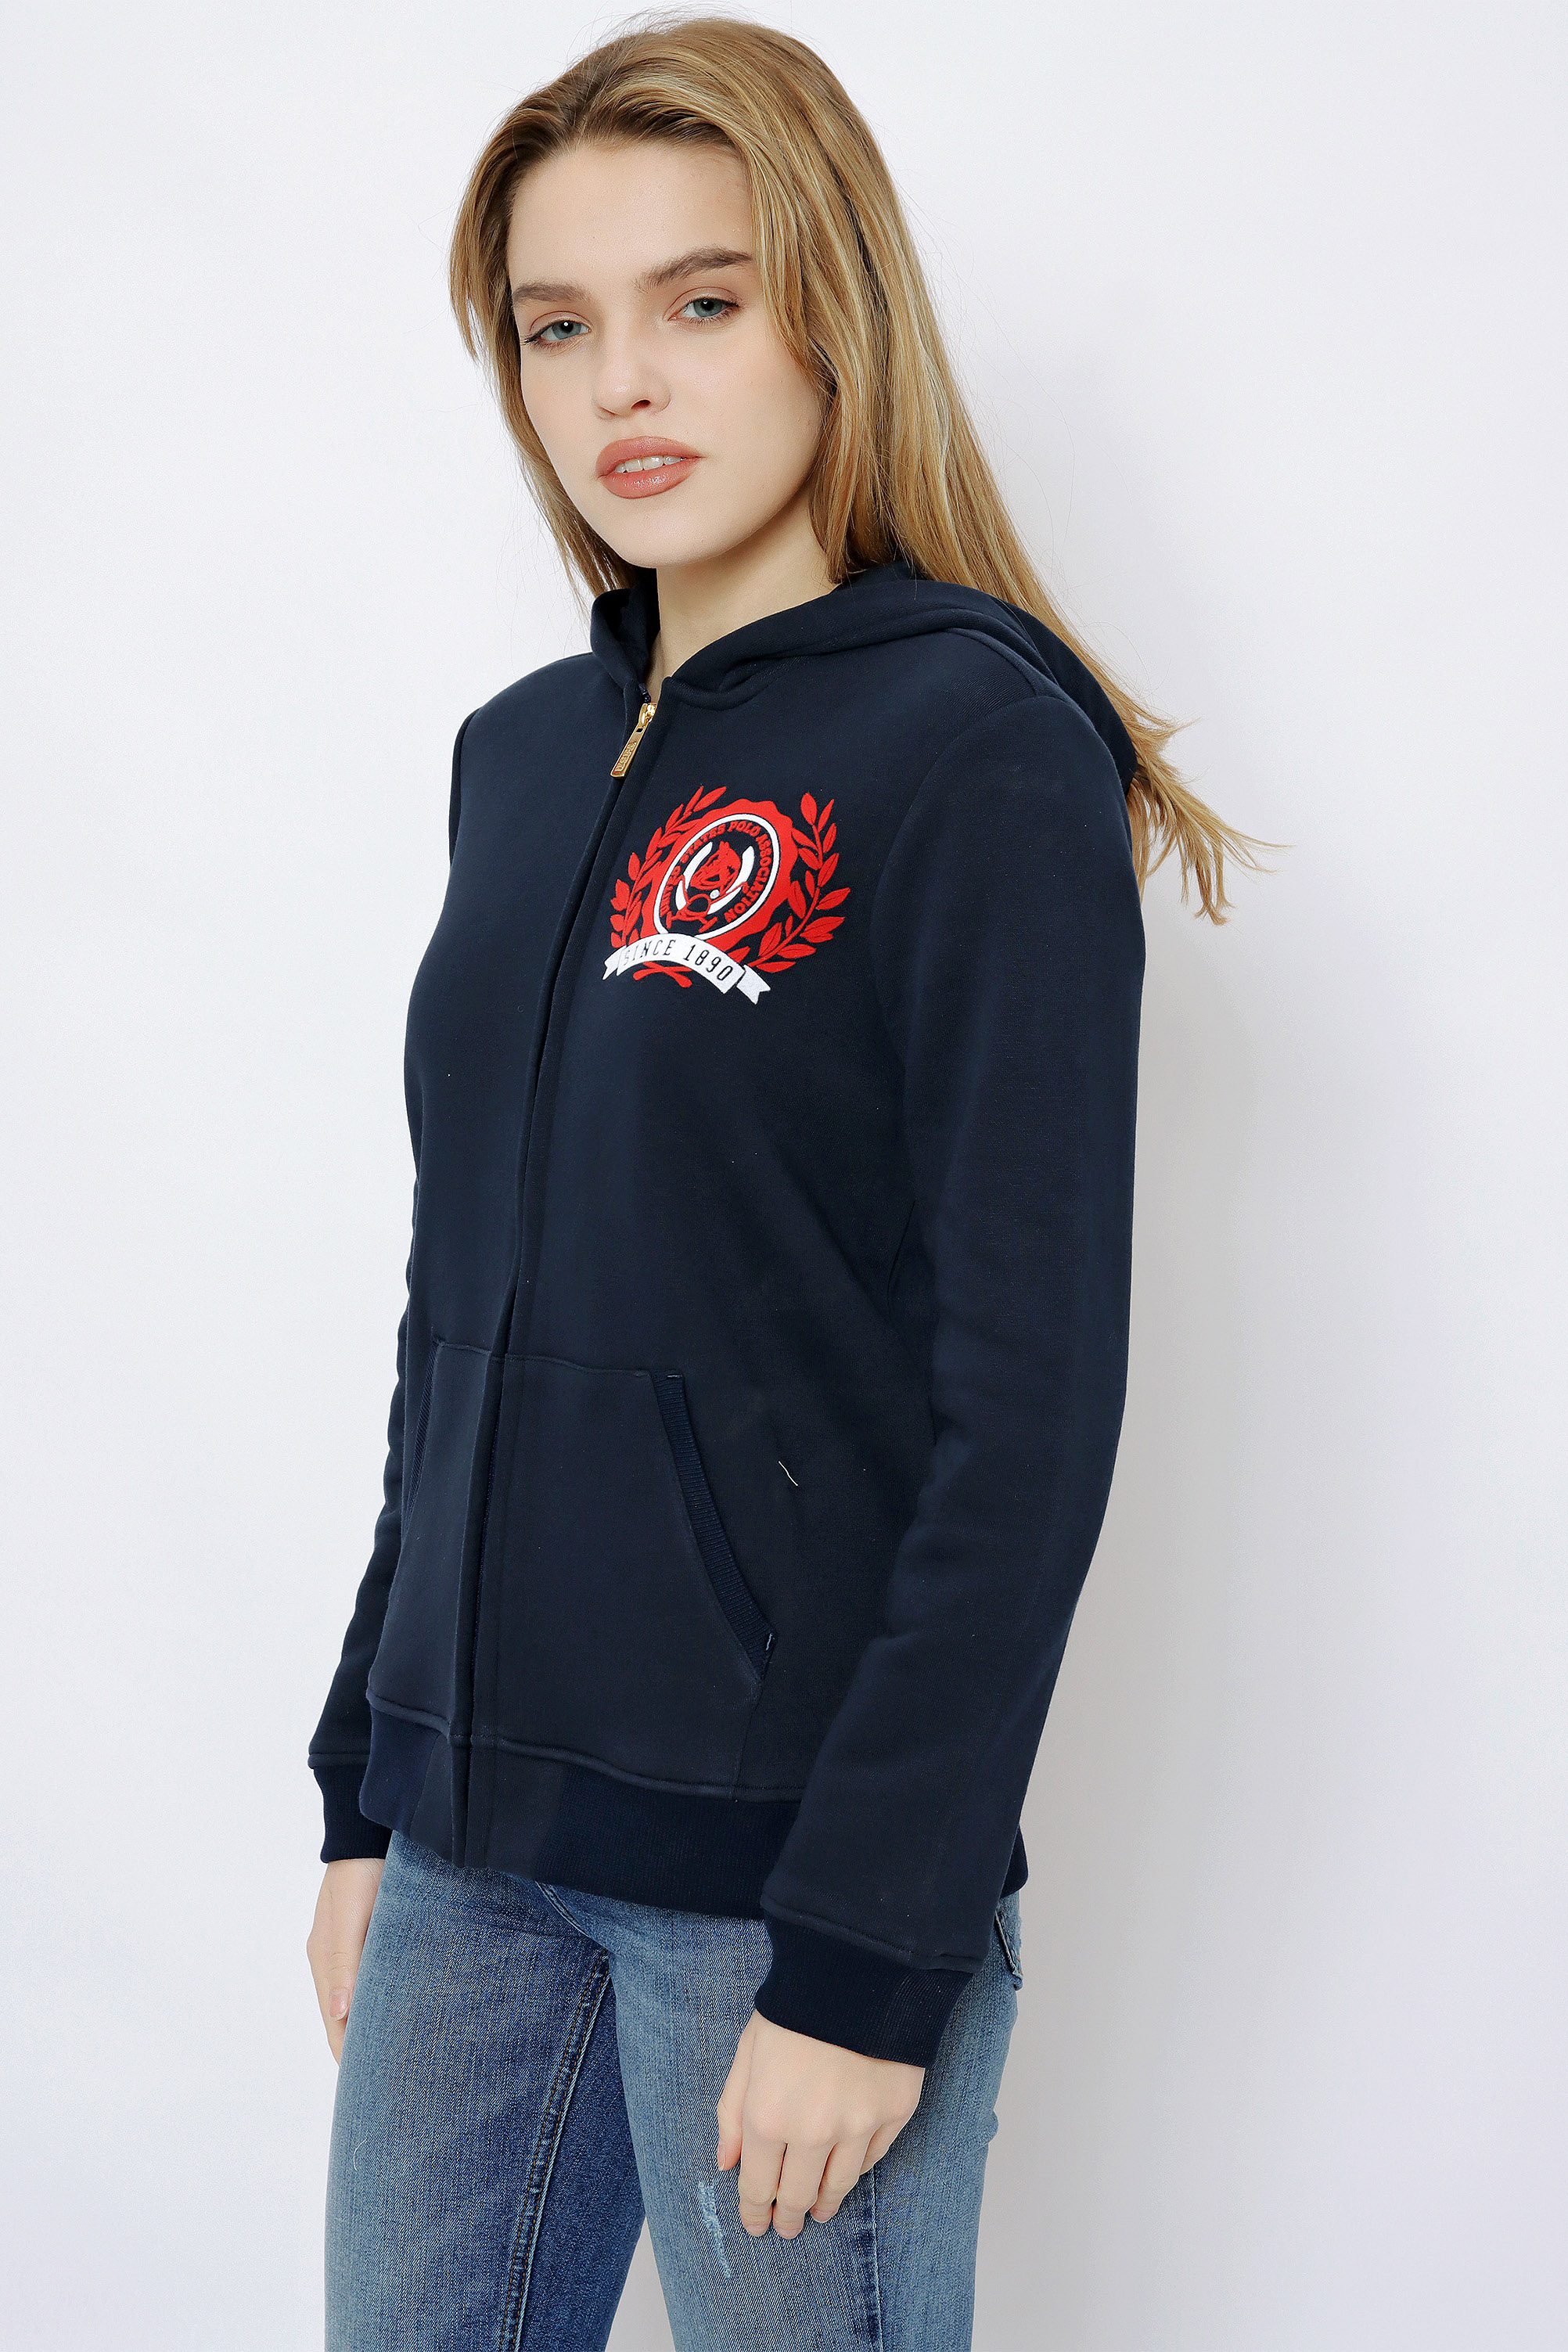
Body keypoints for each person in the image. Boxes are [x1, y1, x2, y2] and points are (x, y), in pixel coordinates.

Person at [304, 16, 1257, 2348]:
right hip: (463, 1853)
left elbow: (1028, 1406)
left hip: (777, 1888)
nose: (622, 379)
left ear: (834, 309)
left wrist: (870, 1952)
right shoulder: (520, 759)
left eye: (702, 301)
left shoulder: (975, 744)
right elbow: (460, 1310)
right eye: (556, 325)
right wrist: (365, 1784)